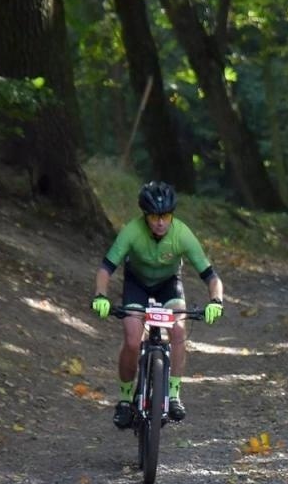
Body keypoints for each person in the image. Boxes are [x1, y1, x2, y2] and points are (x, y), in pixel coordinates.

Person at [91, 181, 224, 427]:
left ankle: (173, 395)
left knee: (179, 330)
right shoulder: (132, 231)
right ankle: (124, 399)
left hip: (168, 285)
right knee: (132, 338)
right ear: (145, 215)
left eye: (166, 216)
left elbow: (211, 276)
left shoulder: (182, 234)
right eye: (154, 216)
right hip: (137, 284)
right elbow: (105, 268)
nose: (161, 222)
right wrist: (101, 295)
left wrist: (216, 300)